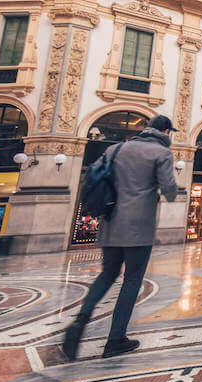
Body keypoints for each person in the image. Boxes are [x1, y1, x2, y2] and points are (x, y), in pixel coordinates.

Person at [61, 115, 178, 361]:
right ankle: (115, 339)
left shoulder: (116, 149)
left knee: (107, 274)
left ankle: (80, 320)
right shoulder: (161, 154)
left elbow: (93, 176)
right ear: (166, 131)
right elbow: (170, 190)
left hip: (111, 221)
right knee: (132, 280)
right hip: (139, 226)